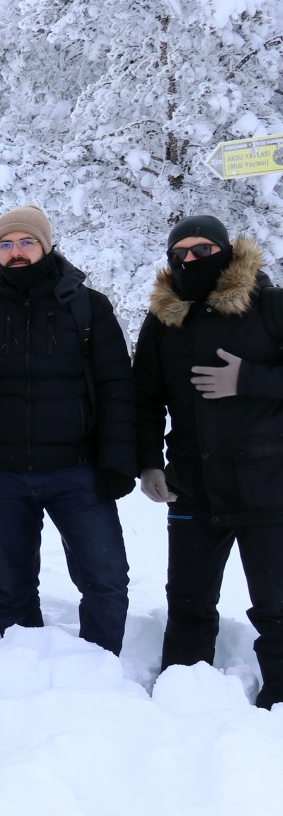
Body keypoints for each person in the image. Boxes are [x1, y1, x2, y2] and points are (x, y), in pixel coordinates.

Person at [0, 205, 135, 654]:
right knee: (13, 587)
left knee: (106, 581)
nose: (15, 252)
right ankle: (21, 667)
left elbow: (116, 388)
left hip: (78, 472)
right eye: (5, 245)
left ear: (46, 245)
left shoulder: (88, 307)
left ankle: (99, 669)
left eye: (26, 242)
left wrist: (117, 463)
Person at [134, 216, 283, 708]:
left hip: (267, 484)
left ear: (226, 251)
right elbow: (145, 400)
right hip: (192, 486)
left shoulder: (270, 305)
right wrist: (148, 463)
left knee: (277, 607)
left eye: (203, 250)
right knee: (189, 604)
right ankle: (182, 693)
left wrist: (249, 380)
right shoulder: (163, 321)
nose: (191, 260)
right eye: (181, 253)